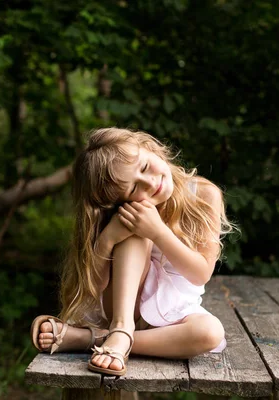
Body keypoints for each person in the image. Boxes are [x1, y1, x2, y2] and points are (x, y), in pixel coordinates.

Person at [30, 127, 235, 376]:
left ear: (149, 147)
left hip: (173, 317)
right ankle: (120, 328)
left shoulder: (204, 195)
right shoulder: (125, 213)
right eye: (133, 189)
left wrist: (158, 231)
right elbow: (92, 287)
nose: (151, 183)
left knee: (210, 332)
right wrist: (108, 238)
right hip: (121, 309)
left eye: (145, 167)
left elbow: (201, 274)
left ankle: (96, 339)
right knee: (135, 227)